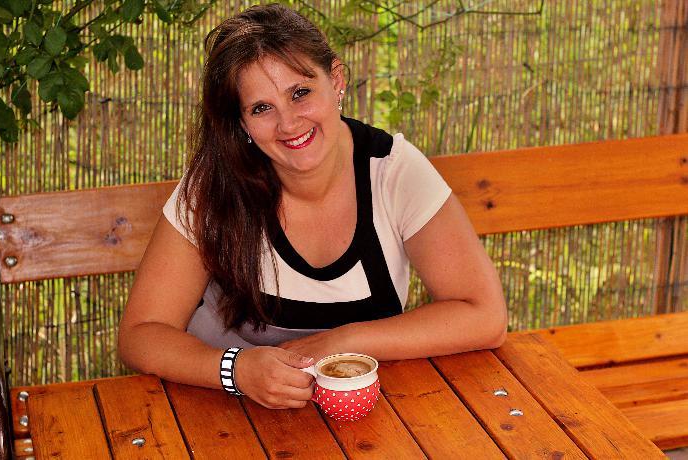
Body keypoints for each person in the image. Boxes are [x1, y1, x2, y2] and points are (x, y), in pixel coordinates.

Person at [118, 3, 507, 410]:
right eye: (261, 108)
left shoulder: (394, 173)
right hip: (220, 410)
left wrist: (342, 341)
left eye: (300, 93)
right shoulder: (213, 186)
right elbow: (141, 333)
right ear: (241, 123)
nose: (288, 124)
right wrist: (235, 370)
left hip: (354, 416)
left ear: (335, 80)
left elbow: (484, 315)